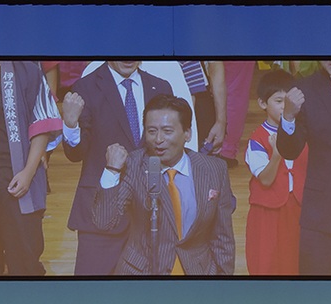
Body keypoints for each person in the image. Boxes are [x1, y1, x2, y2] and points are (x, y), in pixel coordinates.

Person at [94, 93, 236, 275]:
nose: (158, 139)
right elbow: (104, 222)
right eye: (152, 131)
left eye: (167, 131)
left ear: (187, 133)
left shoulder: (214, 169)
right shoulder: (134, 165)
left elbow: (222, 237)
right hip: (141, 272)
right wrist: (112, 170)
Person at [62, 60, 174, 275]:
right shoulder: (85, 88)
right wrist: (70, 124)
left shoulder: (160, 87)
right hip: (99, 212)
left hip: (149, 214)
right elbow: (75, 153)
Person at [0, 59, 61, 277]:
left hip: (23, 183)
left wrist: (28, 173)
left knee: (25, 262)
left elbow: (42, 122)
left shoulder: (28, 69)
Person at [277, 60, 331, 276]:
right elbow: (289, 151)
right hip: (321, 218)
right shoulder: (305, 90)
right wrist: (288, 116)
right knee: (318, 297)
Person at [244, 69, 307, 275]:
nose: (284, 107)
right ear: (263, 103)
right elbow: (266, 179)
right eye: (279, 101)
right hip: (268, 211)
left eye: (288, 101)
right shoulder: (257, 139)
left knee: (296, 262)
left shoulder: (306, 132)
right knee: (267, 263)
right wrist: (277, 154)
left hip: (299, 207)